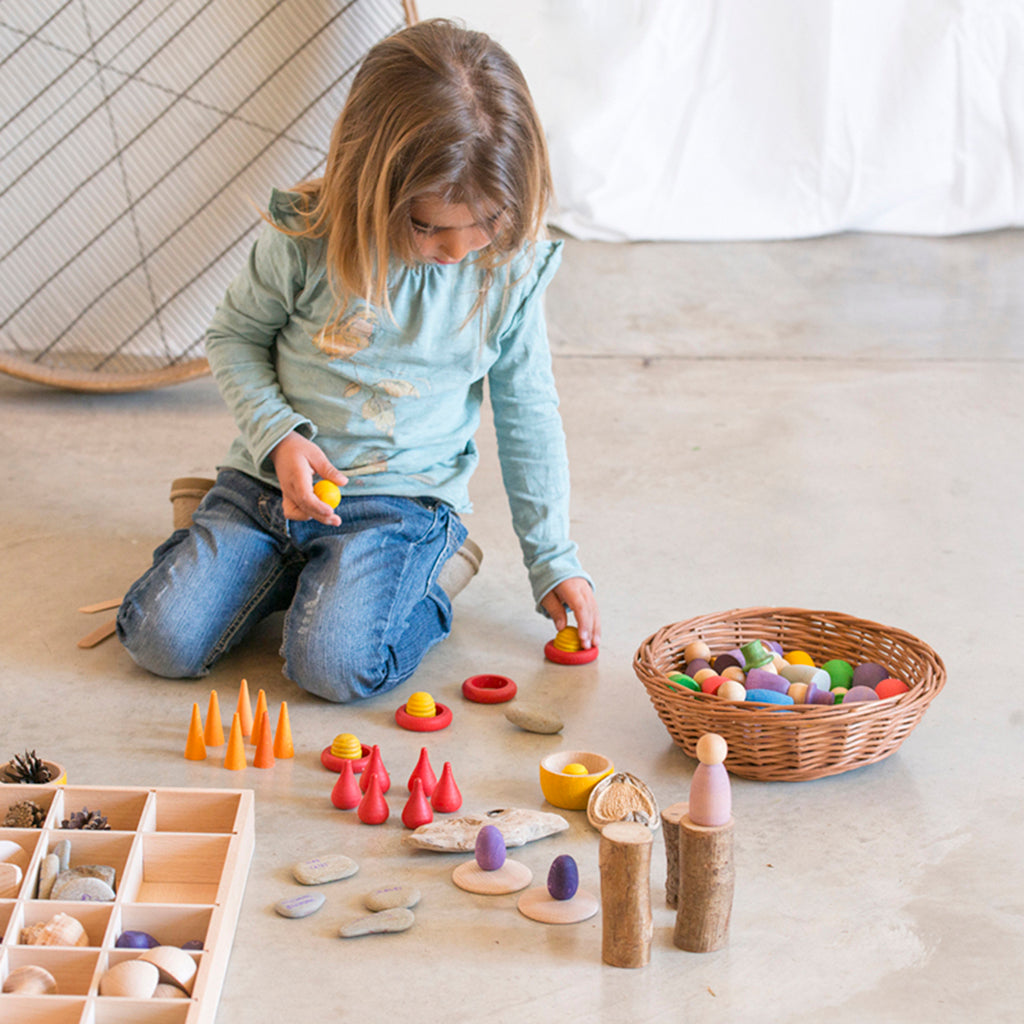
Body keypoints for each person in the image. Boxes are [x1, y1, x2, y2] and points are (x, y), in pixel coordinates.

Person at [117, 19, 599, 702]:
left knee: (333, 668)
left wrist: (552, 559)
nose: (459, 249)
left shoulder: (509, 270)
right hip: (265, 487)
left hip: (400, 502)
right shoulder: (305, 235)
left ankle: (430, 571)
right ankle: (292, 567)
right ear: (370, 184)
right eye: (428, 226)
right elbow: (233, 337)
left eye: (486, 220)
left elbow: (528, 412)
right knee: (158, 639)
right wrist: (279, 436)